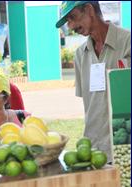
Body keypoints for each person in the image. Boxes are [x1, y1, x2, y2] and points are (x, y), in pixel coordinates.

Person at [56, 1, 131, 163]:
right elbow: (91, 104)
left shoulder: (127, 42)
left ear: (89, 10)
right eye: (68, 21)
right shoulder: (80, 55)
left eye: (73, 18)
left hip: (125, 145)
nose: (71, 26)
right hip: (93, 150)